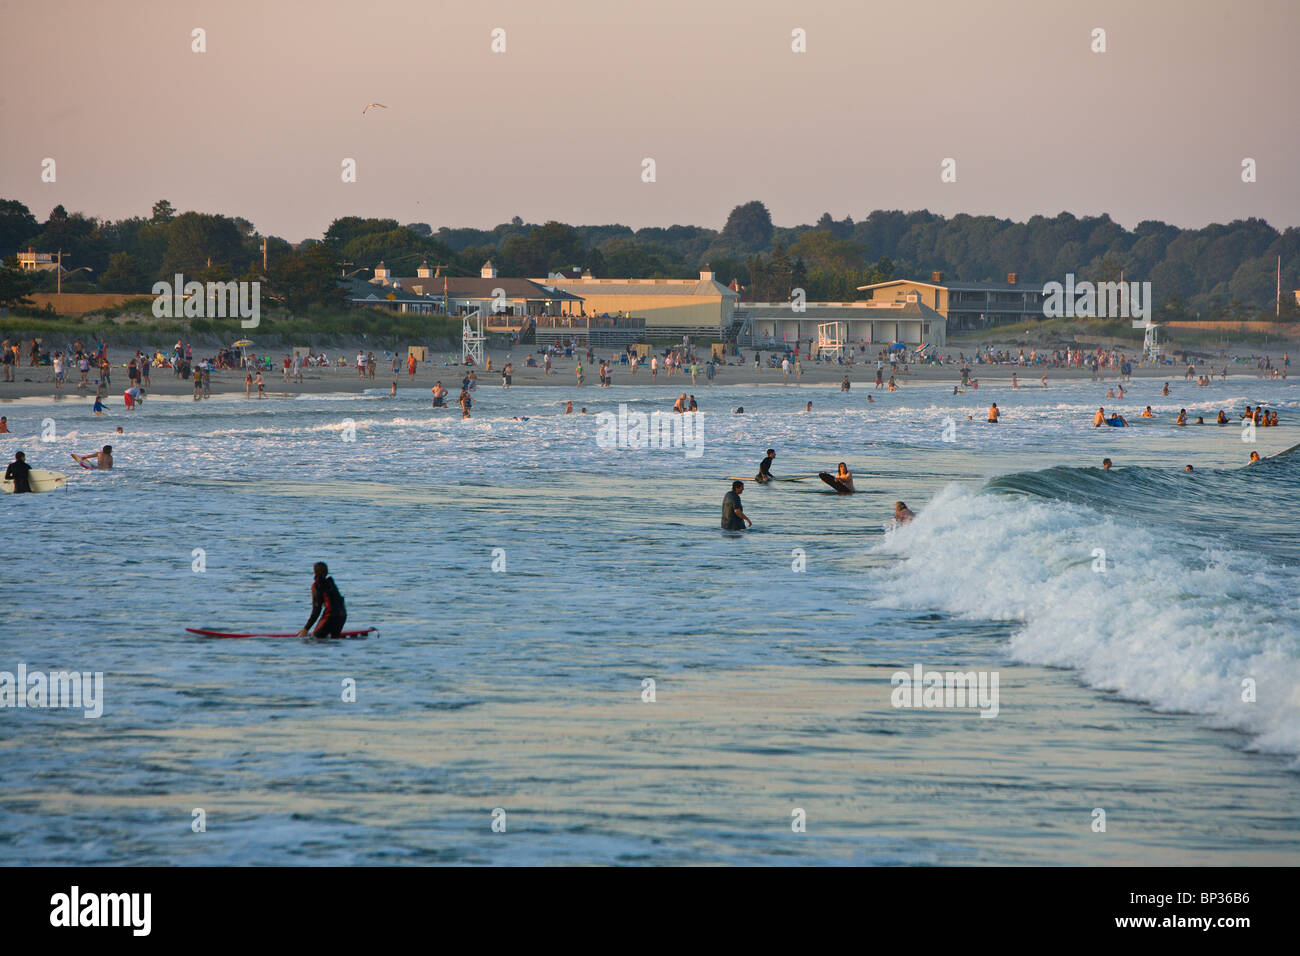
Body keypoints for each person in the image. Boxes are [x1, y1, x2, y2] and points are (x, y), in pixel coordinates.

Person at [297, 562, 348, 638]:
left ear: (315, 573)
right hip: (342, 616)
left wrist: (306, 629)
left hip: (330, 617)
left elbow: (316, 610)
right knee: (334, 640)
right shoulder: (331, 583)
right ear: (326, 572)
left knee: (315, 639)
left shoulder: (317, 585)